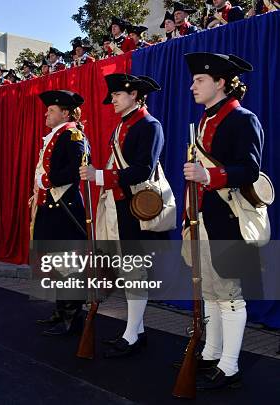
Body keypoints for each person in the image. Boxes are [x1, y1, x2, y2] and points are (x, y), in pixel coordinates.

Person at [183, 52, 265, 390]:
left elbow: (250, 170)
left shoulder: (243, 119)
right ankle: (212, 353)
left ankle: (229, 366)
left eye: (199, 80)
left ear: (220, 82)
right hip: (204, 217)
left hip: (229, 218)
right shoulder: (204, 121)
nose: (192, 86)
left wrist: (209, 175)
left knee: (230, 295)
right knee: (214, 293)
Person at [80, 73, 169, 357]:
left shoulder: (149, 125)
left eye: (117, 95)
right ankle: (137, 331)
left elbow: (143, 169)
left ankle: (131, 335)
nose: (114, 100)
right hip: (120, 206)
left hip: (136, 208)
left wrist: (100, 176)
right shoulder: (123, 125)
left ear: (134, 94)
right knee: (129, 271)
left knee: (135, 272)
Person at [31, 90, 88, 336]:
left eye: (51, 110)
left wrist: (47, 179)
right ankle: (60, 311)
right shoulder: (57, 134)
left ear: (65, 113)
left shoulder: (73, 135)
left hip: (64, 209)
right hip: (50, 207)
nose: (46, 113)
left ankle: (72, 319)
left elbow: (76, 170)